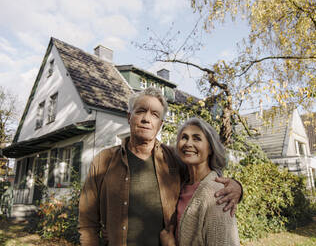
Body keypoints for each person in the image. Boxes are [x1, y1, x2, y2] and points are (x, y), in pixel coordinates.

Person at [78, 87, 242, 246]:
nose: (146, 119)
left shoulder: (174, 159)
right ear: (129, 117)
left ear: (160, 124)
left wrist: (237, 187)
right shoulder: (104, 160)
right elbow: (87, 222)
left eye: (155, 114)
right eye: (140, 111)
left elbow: (204, 178)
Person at [160, 117, 240, 246]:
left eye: (197, 138)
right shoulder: (183, 183)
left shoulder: (216, 194)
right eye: (184, 137)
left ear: (210, 149)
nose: (188, 143)